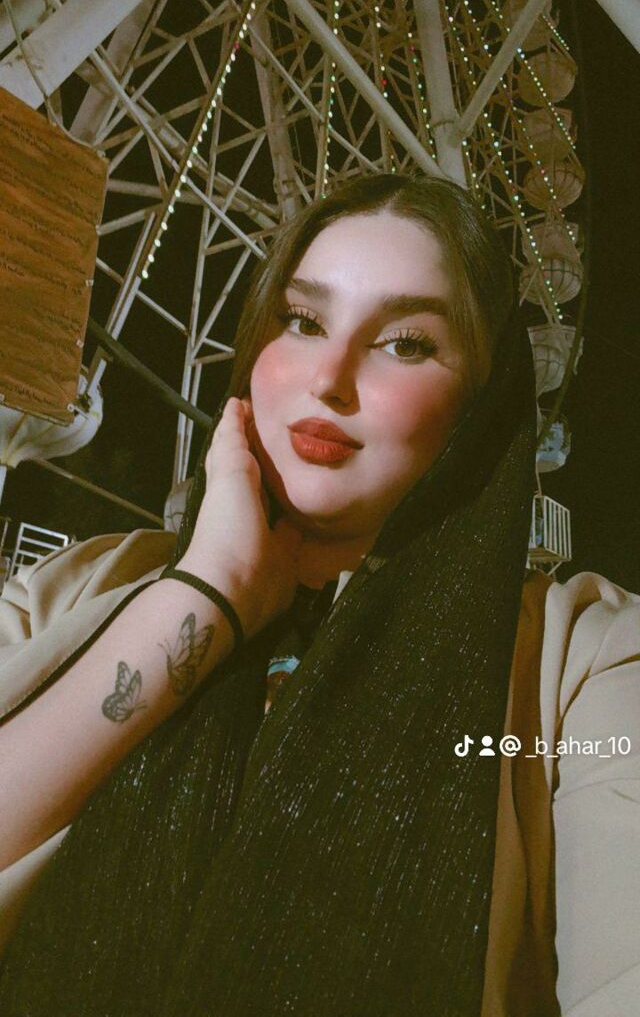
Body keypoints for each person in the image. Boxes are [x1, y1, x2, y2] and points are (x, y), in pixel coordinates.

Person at [0, 173, 638, 1017]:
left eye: (405, 344)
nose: (329, 378)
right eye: (302, 321)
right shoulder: (67, 590)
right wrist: (205, 594)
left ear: (481, 406)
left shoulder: (587, 665)